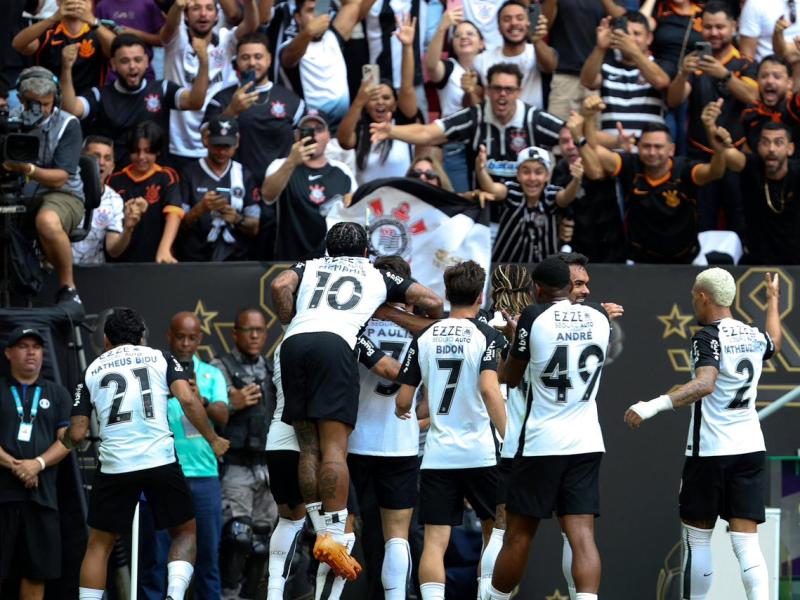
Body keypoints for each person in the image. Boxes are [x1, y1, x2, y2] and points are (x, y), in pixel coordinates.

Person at [270, 222, 444, 581]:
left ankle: (320, 527)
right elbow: (434, 302)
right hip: (337, 346)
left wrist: (290, 319)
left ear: (328, 249)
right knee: (335, 447)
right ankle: (333, 536)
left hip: (295, 341)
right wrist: (400, 311)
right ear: (366, 252)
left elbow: (279, 284)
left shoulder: (312, 264)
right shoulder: (375, 273)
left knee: (308, 445)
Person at [624, 268, 783, 600]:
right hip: (750, 448)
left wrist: (652, 405)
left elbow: (705, 383)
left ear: (702, 296)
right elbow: (775, 343)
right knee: (747, 544)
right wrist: (772, 301)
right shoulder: (752, 334)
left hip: (710, 451)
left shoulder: (708, 336)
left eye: (693, 295)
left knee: (697, 540)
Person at [62, 307, 230, 600]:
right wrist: (213, 439)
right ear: (141, 337)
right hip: (160, 460)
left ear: (105, 340)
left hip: (115, 465)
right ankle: (174, 596)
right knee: (185, 532)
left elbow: (76, 434)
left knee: (99, 545)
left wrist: (64, 440)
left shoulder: (91, 370)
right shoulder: (161, 358)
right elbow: (188, 401)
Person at [487, 257, 611, 600]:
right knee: (582, 536)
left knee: (518, 536)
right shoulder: (600, 316)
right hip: (587, 441)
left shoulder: (534, 316)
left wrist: (515, 341)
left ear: (537, 289)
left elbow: (509, 376)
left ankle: (493, 598)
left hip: (541, 444)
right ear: (570, 286)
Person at [394, 260, 506, 600]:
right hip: (480, 452)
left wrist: (404, 413)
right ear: (480, 296)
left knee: (435, 541)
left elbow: (403, 399)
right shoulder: (488, 335)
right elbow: (489, 390)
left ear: (446, 294)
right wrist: (511, 436)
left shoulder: (425, 335)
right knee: (496, 531)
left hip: (438, 455)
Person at [266, 323, 404, 600]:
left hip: (278, 442)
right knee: (339, 538)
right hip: (317, 453)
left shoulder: (287, 343)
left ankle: (273, 594)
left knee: (288, 523)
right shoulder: (333, 339)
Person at [138, 312, 230, 600]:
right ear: (169, 336)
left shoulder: (212, 373)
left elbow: (223, 415)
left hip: (204, 476)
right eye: (180, 337)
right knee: (156, 556)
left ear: (200, 339)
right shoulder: (152, 373)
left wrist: (199, 399)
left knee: (207, 556)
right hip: (163, 473)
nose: (186, 343)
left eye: (192, 338)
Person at [347, 255, 422, 600]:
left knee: (354, 533)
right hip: (401, 444)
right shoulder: (425, 327)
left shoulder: (352, 323)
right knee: (399, 536)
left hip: (356, 442)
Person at [582, 96, 730, 263]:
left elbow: (715, 172)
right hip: (639, 260)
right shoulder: (630, 164)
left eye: (658, 147)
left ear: (671, 149)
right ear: (638, 147)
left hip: (687, 259)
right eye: (646, 146)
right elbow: (594, 149)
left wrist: (719, 151)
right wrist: (588, 118)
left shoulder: (685, 170)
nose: (652, 152)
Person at [370, 63, 564, 186]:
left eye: (509, 89)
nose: (502, 94)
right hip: (485, 213)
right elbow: (428, 133)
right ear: (487, 90)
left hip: (526, 211)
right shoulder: (475, 116)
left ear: (519, 92)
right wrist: (391, 130)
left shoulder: (534, 118)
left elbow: (569, 135)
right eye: (497, 88)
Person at [666, 1, 757, 233]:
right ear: (700, 27)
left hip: (734, 155)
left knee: (741, 219)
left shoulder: (744, 63)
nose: (714, 33)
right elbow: (674, 100)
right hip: (700, 156)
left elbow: (752, 96)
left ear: (734, 26)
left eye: (720, 27)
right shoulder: (693, 63)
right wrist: (683, 73)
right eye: (708, 27)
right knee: (701, 222)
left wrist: (724, 75)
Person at [60, 33, 210, 165]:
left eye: (138, 60)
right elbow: (71, 109)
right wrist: (66, 68)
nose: (132, 66)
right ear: (113, 64)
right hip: (115, 176)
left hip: (156, 176)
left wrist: (204, 63)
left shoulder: (163, 89)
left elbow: (195, 102)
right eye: (125, 61)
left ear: (146, 62)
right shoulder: (100, 94)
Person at [211, 307, 279, 599]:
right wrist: (231, 402)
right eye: (247, 330)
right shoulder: (219, 367)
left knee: (263, 542)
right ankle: (228, 594)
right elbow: (205, 408)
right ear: (235, 333)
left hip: (267, 465)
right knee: (238, 536)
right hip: (236, 465)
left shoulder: (270, 368)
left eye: (259, 330)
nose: (254, 335)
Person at [2, 66, 85, 304]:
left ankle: (68, 288)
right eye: (33, 104)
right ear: (20, 98)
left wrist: (27, 170)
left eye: (46, 104)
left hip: (63, 193)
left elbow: (61, 177)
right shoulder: (9, 120)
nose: (41, 110)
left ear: (55, 99)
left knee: (47, 221)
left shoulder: (68, 124)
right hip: (15, 193)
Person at [0, 326, 72, 600]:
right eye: (23, 346)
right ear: (8, 353)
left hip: (42, 498)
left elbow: (67, 441)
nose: (31, 352)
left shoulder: (58, 393)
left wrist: (37, 464)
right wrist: (16, 465)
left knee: (36, 572)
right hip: (3, 496)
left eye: (37, 347)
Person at [160, 0, 259, 169]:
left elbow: (251, 25)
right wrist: (177, 5)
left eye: (209, 8)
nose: (203, 14)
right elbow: (168, 29)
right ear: (186, 15)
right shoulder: (176, 40)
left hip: (219, 140)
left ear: (217, 15)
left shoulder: (225, 40)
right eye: (196, 8)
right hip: (178, 143)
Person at [204, 32, 305, 180]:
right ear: (236, 61)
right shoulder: (221, 99)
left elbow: (302, 148)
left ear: (269, 59)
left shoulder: (293, 101)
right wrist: (231, 111)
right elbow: (204, 138)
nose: (252, 63)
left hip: (279, 184)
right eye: (245, 57)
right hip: (235, 185)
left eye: (258, 57)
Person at [337, 15, 420, 186]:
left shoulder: (404, 125)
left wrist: (407, 47)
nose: (381, 102)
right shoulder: (360, 132)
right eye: (374, 99)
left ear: (396, 104)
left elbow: (407, 87)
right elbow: (344, 140)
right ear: (366, 106)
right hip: (368, 207)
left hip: (402, 206)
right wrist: (359, 100)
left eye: (387, 98)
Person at [261, 114, 357, 260]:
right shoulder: (280, 165)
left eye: (319, 129)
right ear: (297, 135)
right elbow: (267, 196)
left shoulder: (342, 170)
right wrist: (292, 162)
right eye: (307, 130)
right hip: (290, 259)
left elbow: (355, 213)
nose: (313, 135)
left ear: (328, 136)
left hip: (332, 262)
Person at [476, 144, 583, 262]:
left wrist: (576, 180)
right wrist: (480, 169)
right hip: (506, 267)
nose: (532, 178)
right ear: (518, 175)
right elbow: (492, 188)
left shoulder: (550, 195)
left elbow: (565, 198)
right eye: (526, 172)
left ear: (547, 175)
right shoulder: (512, 192)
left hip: (545, 270)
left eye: (538, 172)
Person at [177, 116, 261, 262]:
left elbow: (254, 227)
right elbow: (177, 226)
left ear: (237, 143)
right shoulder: (189, 173)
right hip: (194, 259)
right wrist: (200, 209)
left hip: (235, 260)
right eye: (217, 145)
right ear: (206, 141)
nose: (221, 151)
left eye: (227, 146)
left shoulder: (244, 175)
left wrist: (237, 219)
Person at [580, 12, 670, 144]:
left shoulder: (659, 65)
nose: (631, 39)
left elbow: (661, 82)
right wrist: (600, 48)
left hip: (649, 151)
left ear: (649, 38)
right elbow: (587, 81)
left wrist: (633, 51)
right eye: (627, 33)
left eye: (637, 34)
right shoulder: (607, 66)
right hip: (612, 153)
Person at [277, 0, 363, 135]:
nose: (317, 16)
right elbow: (289, 59)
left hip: (340, 133)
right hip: (309, 132)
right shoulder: (289, 46)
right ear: (298, 18)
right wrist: (309, 31)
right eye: (311, 11)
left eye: (321, 11)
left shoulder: (333, 36)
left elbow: (353, 3)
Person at [551, 114, 625, 263]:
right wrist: (560, 224)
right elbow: (558, 203)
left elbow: (596, 173)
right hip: (577, 251)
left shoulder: (602, 163)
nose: (571, 146)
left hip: (609, 248)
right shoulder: (560, 168)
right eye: (565, 141)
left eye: (574, 140)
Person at [106, 121, 184, 263]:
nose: (141, 157)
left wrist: (165, 249)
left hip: (156, 260)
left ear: (157, 152)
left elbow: (174, 213)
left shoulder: (166, 176)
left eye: (148, 151)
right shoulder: (114, 181)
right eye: (136, 151)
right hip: (119, 261)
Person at [426, 10, 485, 192]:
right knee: (461, 199)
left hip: (485, 143)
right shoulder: (450, 67)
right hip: (454, 145)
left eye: (470, 34)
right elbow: (431, 65)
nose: (464, 37)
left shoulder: (490, 67)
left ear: (481, 43)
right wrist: (442, 28)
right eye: (457, 35)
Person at [725, 122, 800, 264]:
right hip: (757, 259)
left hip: (796, 261)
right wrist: (713, 131)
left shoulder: (797, 172)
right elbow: (728, 155)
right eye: (765, 142)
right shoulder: (751, 167)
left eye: (778, 143)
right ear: (758, 146)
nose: (771, 149)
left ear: (790, 149)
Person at [12, 0, 115, 94]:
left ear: (90, 3)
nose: (76, 3)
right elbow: (18, 44)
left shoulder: (100, 32)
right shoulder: (48, 31)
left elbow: (116, 51)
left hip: (91, 103)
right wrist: (53, 18)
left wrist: (93, 21)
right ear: (58, 2)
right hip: (50, 102)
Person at [470, 0, 557, 111]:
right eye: (507, 19)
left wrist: (537, 40)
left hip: (531, 124)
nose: (514, 23)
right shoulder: (481, 60)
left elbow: (550, 66)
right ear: (498, 27)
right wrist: (469, 90)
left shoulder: (537, 52)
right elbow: (474, 103)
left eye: (520, 18)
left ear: (528, 23)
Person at [72, 135, 146, 264]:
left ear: (112, 167)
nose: (101, 162)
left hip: (94, 273)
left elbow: (113, 250)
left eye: (107, 158)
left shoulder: (115, 200)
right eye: (95, 156)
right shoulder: (65, 189)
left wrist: (128, 228)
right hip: (58, 271)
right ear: (81, 160)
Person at [542, 0, 609, 120]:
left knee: (592, 135)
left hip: (598, 77)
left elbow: (623, 20)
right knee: (558, 133)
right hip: (564, 75)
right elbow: (541, 25)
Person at [741, 55, 800, 155]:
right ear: (757, 81)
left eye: (777, 77)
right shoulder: (749, 114)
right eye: (764, 76)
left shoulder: (794, 107)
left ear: (790, 83)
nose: (769, 81)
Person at [95, 0, 166, 82]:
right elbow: (100, 44)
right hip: (114, 74)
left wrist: (135, 34)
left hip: (143, 72)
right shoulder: (103, 6)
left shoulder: (148, 4)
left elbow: (162, 41)